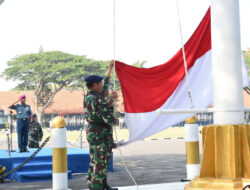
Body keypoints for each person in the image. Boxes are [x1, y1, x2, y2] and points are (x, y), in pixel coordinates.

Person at [84, 60, 118, 190]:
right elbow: (107, 117)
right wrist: (118, 122)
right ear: (95, 84)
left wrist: (110, 68)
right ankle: (97, 187)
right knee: (100, 163)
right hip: (99, 135)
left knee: (96, 161)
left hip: (96, 134)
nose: (103, 85)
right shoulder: (96, 99)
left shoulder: (91, 96)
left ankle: (99, 184)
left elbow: (103, 108)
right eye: (101, 83)